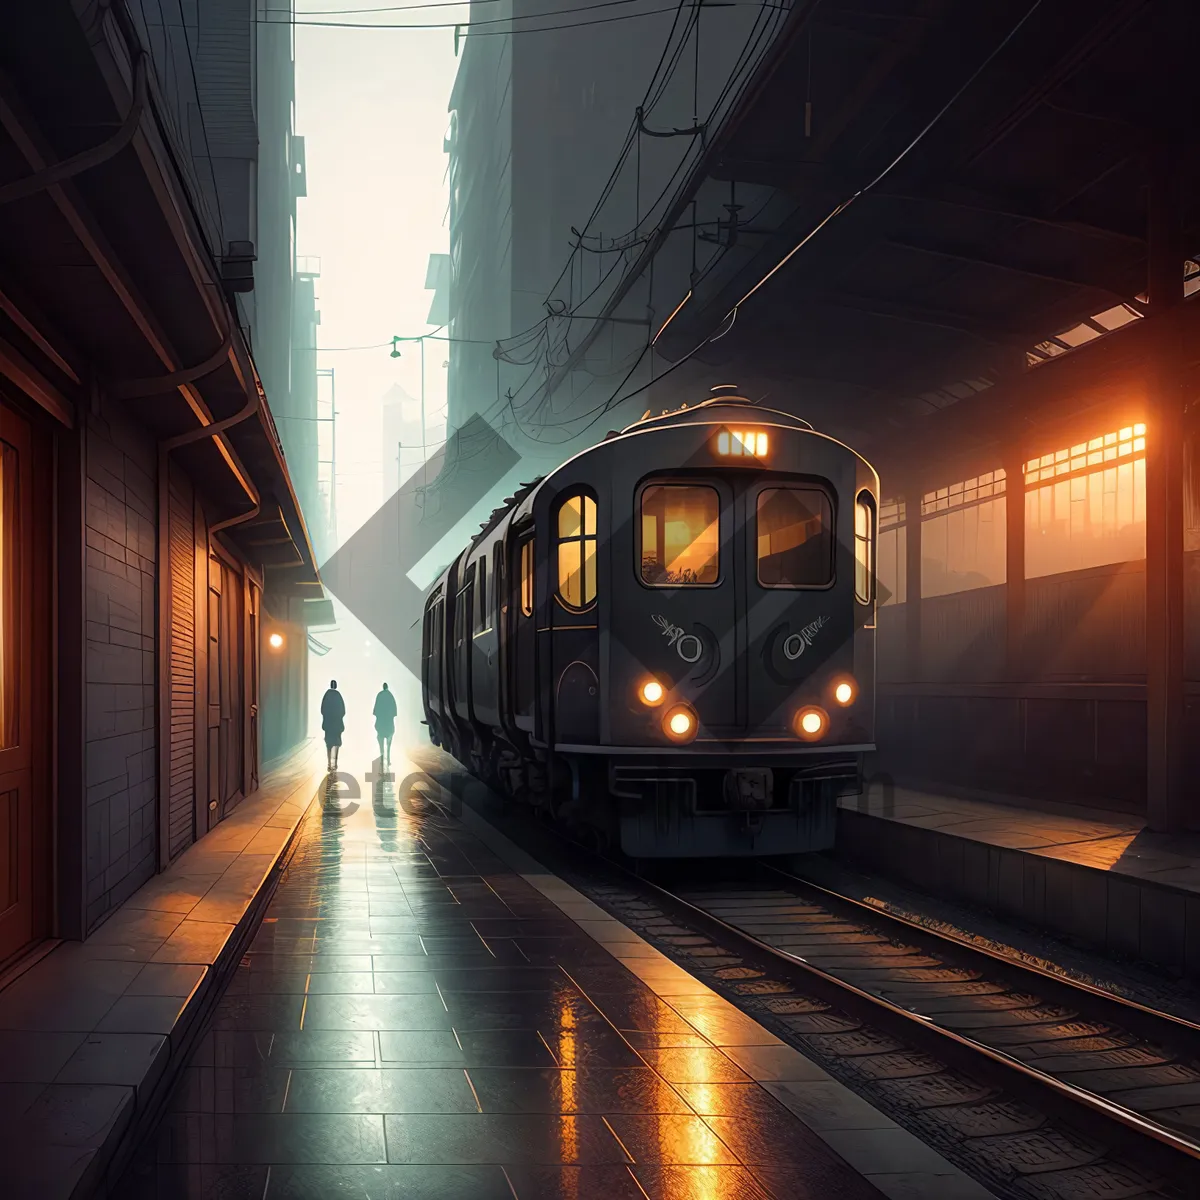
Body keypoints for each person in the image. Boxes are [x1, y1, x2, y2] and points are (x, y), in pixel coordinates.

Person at [320, 680, 345, 771]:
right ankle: (336, 763)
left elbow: (322, 709)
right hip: (337, 724)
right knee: (337, 743)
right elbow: (343, 711)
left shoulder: (327, 695)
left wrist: (327, 717)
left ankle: (329, 763)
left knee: (328, 744)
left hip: (329, 723)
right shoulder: (338, 696)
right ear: (336, 686)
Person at [373, 682, 398, 765]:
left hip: (380, 722)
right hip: (389, 722)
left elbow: (375, 710)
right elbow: (394, 711)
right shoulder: (390, 696)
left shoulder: (379, 695)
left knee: (380, 740)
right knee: (389, 742)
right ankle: (388, 758)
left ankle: (382, 758)